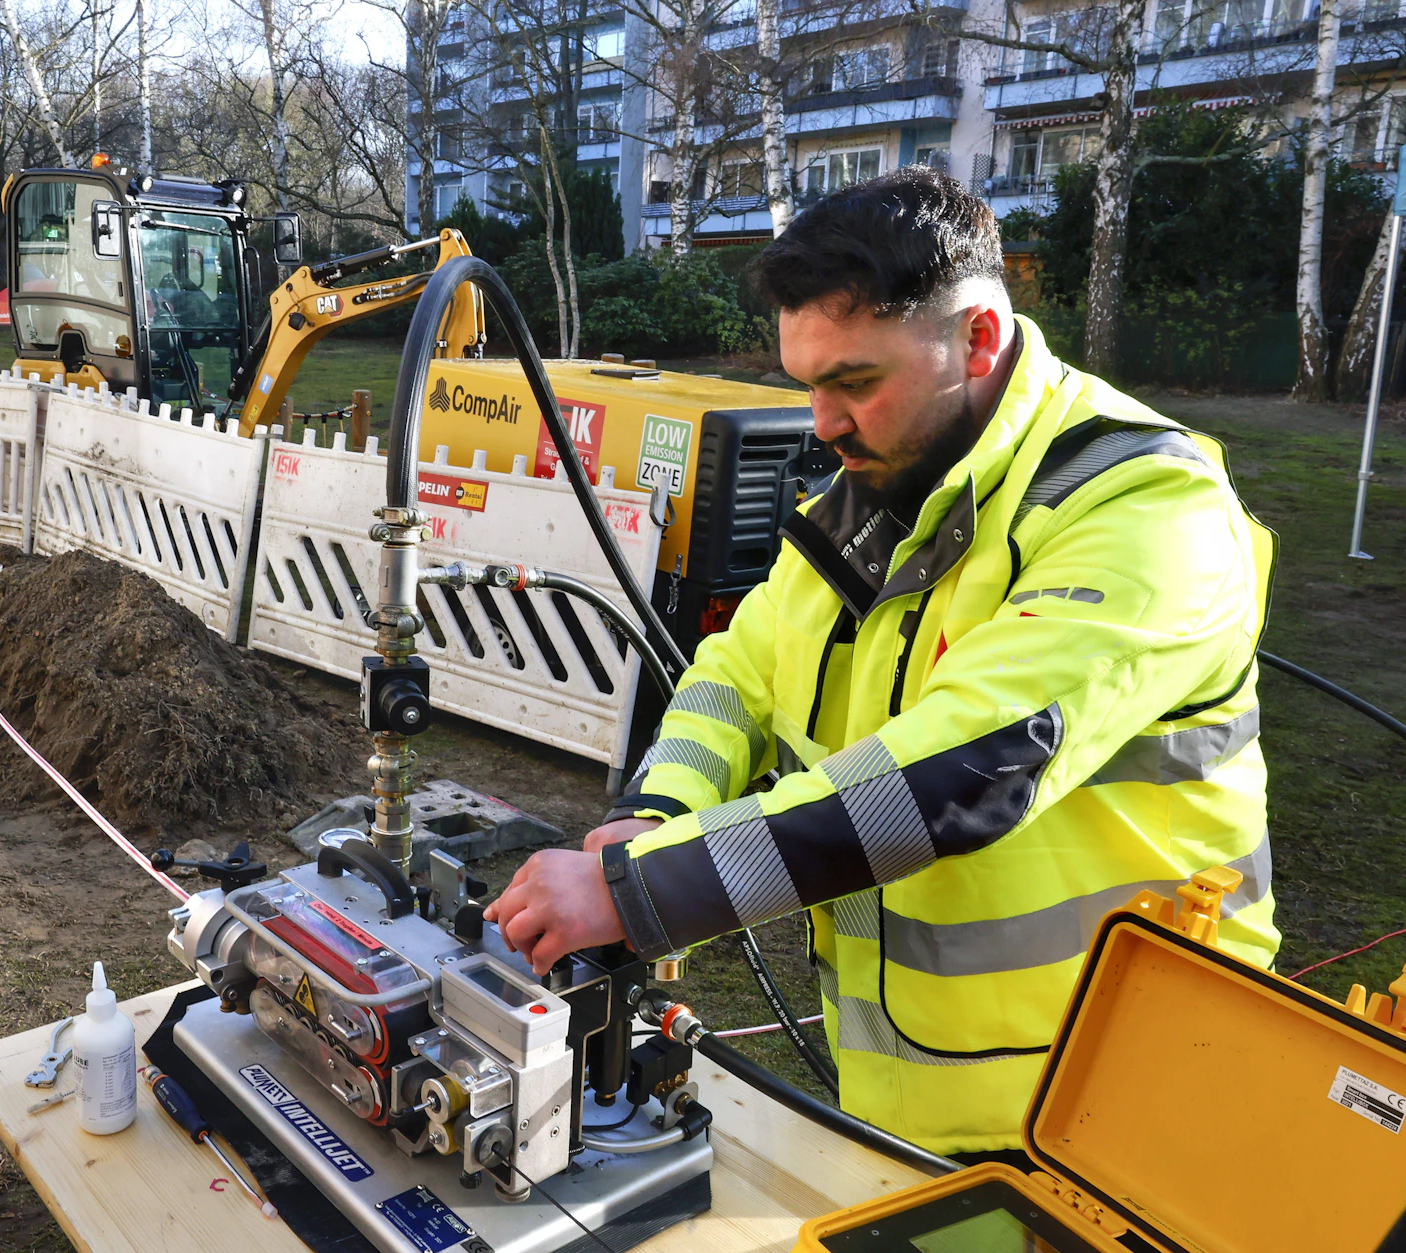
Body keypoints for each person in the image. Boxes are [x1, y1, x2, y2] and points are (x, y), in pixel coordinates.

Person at [483, 167, 1278, 1156]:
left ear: (976, 338)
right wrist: (652, 818)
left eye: (853, 381)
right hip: (908, 1099)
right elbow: (734, 676)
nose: (820, 423)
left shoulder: (1146, 511)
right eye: (806, 384)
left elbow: (962, 770)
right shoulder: (874, 498)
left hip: (1123, 1117)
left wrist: (635, 889)